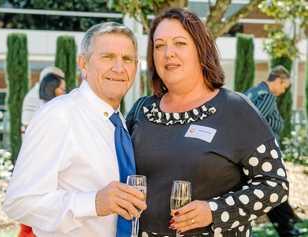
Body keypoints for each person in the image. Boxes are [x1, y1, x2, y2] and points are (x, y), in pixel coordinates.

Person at [126, 8, 289, 237]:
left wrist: (215, 211)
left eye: (179, 43)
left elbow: (275, 184)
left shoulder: (235, 109)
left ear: (200, 50)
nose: (168, 53)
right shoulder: (141, 111)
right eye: (159, 45)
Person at [3, 22, 146, 237]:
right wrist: (93, 203)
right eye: (107, 57)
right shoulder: (60, 115)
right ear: (83, 63)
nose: (119, 68)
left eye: (127, 59)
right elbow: (19, 202)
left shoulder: (118, 121)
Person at [245, 66, 302, 237]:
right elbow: (254, 125)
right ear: (278, 80)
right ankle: (287, 227)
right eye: (285, 86)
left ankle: (287, 223)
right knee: (272, 190)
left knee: (268, 191)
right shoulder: (267, 96)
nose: (284, 90)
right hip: (264, 155)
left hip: (254, 154)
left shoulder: (250, 92)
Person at [17, 73, 66, 237]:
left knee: (30, 222)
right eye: (62, 88)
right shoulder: (51, 112)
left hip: (34, 172)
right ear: (53, 89)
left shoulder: (42, 108)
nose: (64, 92)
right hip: (43, 172)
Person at [21, 66, 65, 132]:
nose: (64, 93)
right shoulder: (34, 97)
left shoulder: (48, 98)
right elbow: (27, 124)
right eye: (62, 89)